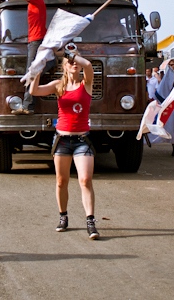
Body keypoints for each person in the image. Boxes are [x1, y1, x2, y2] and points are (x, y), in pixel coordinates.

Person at [29, 47, 99, 239]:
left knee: (85, 180)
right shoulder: (59, 85)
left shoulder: (87, 83)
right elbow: (34, 91)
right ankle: (63, 216)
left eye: (75, 61)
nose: (74, 64)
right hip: (62, 140)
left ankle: (90, 221)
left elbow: (88, 65)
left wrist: (69, 54)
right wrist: (38, 68)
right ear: (64, 68)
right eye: (70, 63)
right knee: (61, 181)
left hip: (82, 140)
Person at [0, 0, 47, 114]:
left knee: (31, 72)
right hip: (36, 39)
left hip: (35, 40)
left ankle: (27, 106)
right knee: (34, 70)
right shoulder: (35, 1)